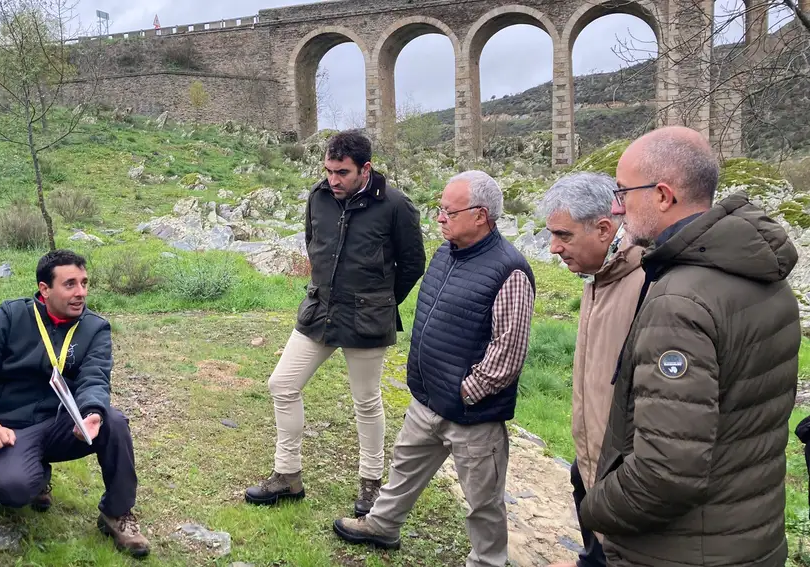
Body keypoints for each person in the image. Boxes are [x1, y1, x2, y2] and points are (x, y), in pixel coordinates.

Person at [581, 126, 800, 566]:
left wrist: (594, 507)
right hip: (749, 536)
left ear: (662, 196)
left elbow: (665, 471)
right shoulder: (763, 275)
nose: (617, 206)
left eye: (623, 191)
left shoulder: (680, 299)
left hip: (682, 549)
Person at [331, 170, 535, 567]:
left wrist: (466, 391)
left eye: (447, 211)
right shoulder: (445, 253)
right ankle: (383, 525)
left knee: (484, 503)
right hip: (428, 400)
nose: (439, 218)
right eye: (439, 210)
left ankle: (488, 561)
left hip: (473, 416)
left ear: (480, 216)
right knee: (403, 471)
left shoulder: (509, 270)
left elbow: (507, 353)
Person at [244, 130, 427, 518]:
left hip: (368, 316)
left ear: (366, 168)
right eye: (328, 170)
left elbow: (412, 265)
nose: (333, 179)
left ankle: (371, 484)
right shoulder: (319, 198)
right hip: (320, 311)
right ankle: (287, 476)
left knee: (366, 400)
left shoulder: (396, 206)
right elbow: (315, 245)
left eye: (342, 172)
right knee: (282, 384)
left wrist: (381, 300)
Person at [0, 249, 149, 558]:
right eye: (69, 284)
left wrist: (92, 412)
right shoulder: (11, 317)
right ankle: (36, 476)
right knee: (12, 490)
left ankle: (116, 513)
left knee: (114, 421)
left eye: (84, 283)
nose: (80, 292)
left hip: (63, 425)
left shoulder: (95, 328)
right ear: (45, 289)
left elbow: (94, 377)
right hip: (12, 428)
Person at [539, 172, 646, 567]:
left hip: (626, 483)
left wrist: (621, 478)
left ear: (604, 228)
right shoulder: (599, 279)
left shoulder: (647, 283)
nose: (553, 248)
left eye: (563, 235)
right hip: (593, 471)